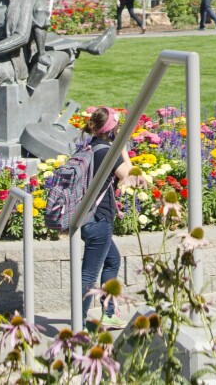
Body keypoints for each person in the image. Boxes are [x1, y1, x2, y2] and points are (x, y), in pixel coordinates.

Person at [78, 105, 140, 321]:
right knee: (88, 275)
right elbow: (132, 178)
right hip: (100, 219)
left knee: (113, 260)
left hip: (87, 218)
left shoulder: (91, 146)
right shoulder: (107, 152)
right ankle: (79, 321)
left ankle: (109, 313)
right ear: (113, 129)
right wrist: (121, 147)